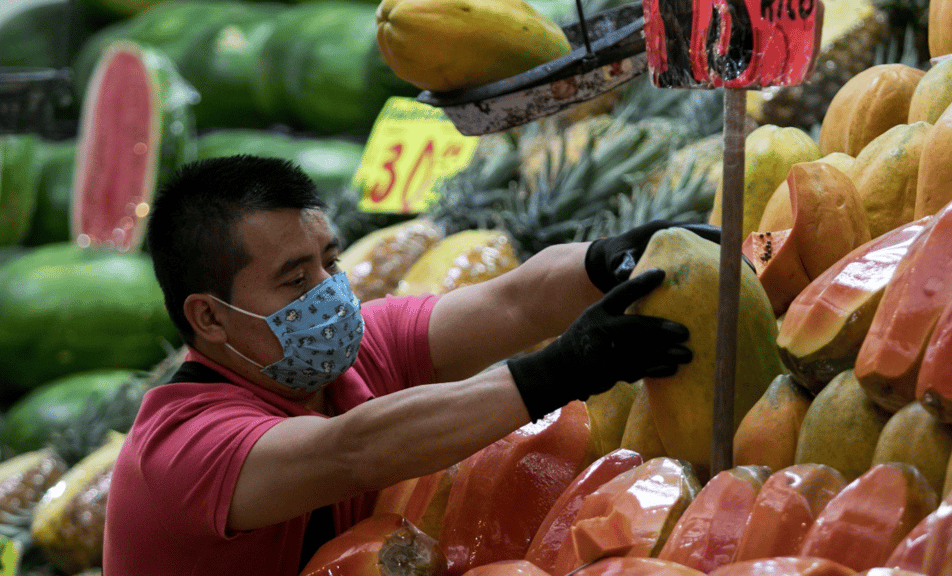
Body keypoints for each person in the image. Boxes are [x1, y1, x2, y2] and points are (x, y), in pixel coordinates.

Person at [102, 154, 716, 575]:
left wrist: (612, 258)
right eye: (295, 280)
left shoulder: (346, 353)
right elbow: (353, 449)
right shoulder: (182, 448)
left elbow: (513, 300)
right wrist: (559, 370)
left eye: (329, 263)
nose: (329, 293)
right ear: (208, 318)